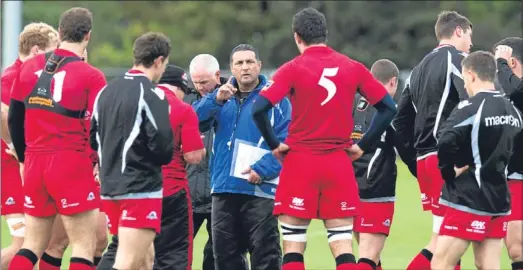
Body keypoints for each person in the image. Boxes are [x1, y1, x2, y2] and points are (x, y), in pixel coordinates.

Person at [252, 8, 396, 270]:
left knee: (294, 245)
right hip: (338, 165)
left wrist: (274, 145)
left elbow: (258, 108)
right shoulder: (353, 67)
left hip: (300, 163)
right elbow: (388, 108)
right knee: (342, 246)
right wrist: (362, 146)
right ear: (324, 34)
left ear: (297, 37)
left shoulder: (292, 68)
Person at [7, 7, 106, 270]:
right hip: (71, 163)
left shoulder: (28, 67)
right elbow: (100, 126)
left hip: (35, 163)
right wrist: (98, 160)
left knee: (32, 245)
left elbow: (14, 118)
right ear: (88, 36)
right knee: (83, 246)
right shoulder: (92, 75)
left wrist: (24, 156)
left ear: (60, 32)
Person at [194, 44, 290, 270]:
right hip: (224, 189)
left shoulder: (276, 99)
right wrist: (216, 100)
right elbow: (193, 121)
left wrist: (263, 169)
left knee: (265, 256)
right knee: (225, 258)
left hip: (260, 189)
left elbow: (289, 141)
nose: (245, 67)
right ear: (231, 68)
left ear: (259, 65)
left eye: (249, 62)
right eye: (239, 63)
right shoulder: (220, 97)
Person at [393, 11, 473, 270]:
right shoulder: (459, 59)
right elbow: (471, 104)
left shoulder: (417, 69)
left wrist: (414, 163)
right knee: (452, 241)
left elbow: (400, 123)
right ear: (459, 31)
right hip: (448, 160)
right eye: (470, 35)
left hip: (426, 160)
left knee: (441, 239)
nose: (471, 43)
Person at [431, 50, 522, 269]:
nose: (464, 86)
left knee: (440, 263)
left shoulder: (470, 107)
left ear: (471, 75)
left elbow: (444, 140)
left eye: (464, 79)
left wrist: (448, 172)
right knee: (487, 264)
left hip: (470, 197)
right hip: (499, 198)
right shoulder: (513, 110)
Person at [91, 32, 173, 270]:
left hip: (110, 188)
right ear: (158, 61)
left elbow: (93, 138)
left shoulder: (104, 92)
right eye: (164, 65)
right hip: (140, 189)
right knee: (127, 261)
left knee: (145, 258)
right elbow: (163, 147)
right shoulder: (153, 93)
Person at [40, 49, 109, 270]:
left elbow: (101, 125)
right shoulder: (51, 83)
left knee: (99, 241)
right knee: (58, 243)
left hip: (92, 170)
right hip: (67, 168)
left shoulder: (92, 80)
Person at [0, 21, 59, 270]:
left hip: (31, 169)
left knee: (41, 244)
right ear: (36, 51)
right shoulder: (12, 77)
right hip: (11, 170)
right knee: (23, 245)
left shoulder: (35, 77)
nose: (56, 59)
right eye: (52, 51)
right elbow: (2, 115)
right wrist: (16, 145)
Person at [351, 59, 417, 270]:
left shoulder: (352, 103)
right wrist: (425, 175)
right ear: (393, 82)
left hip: (349, 191)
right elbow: (407, 152)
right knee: (368, 258)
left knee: (372, 256)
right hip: (376, 191)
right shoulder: (389, 110)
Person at [154, 65, 206, 270]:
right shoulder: (182, 108)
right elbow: (193, 157)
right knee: (176, 253)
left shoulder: (136, 104)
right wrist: (198, 147)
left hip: (136, 189)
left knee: (136, 250)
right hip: (172, 188)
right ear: (179, 87)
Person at [185, 53, 227, 270]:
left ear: (218, 75)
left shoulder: (231, 100)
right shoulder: (187, 101)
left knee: (217, 256)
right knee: (178, 254)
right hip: (188, 195)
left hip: (218, 195)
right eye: (196, 82)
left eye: (204, 81)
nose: (200, 86)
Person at [493, 37, 523, 270]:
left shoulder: (515, 89)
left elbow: (517, 90)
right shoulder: (501, 96)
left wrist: (501, 63)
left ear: (512, 63)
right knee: (516, 247)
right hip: (513, 178)